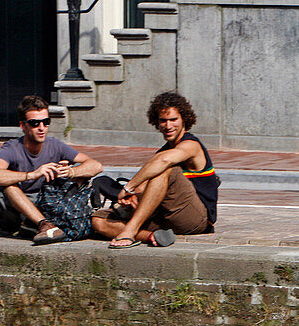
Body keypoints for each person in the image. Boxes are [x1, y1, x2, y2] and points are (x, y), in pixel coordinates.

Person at [92, 91, 219, 250]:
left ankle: (130, 231)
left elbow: (164, 161)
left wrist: (128, 188)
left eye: (173, 120)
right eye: (163, 121)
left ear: (184, 119)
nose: (168, 126)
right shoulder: (162, 151)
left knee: (166, 169)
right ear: (156, 123)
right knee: (99, 220)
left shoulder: (191, 145)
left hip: (196, 220)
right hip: (165, 219)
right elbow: (144, 185)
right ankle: (152, 236)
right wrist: (133, 197)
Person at [0, 95, 103, 245]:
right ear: (23, 126)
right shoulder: (12, 148)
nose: (41, 128)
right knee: (8, 186)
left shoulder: (55, 145)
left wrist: (71, 172)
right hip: (15, 210)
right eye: (35, 123)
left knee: (81, 175)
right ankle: (43, 225)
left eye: (46, 122)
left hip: (46, 203)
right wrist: (32, 174)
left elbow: (96, 165)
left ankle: (36, 226)